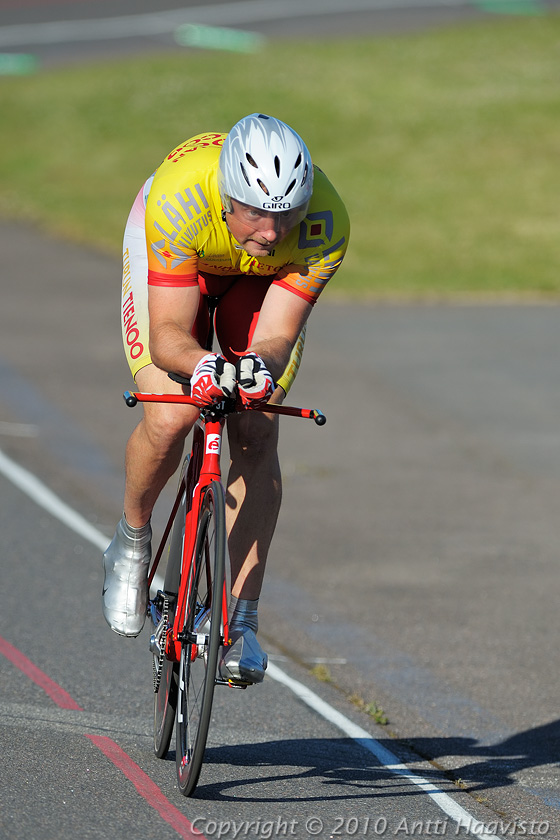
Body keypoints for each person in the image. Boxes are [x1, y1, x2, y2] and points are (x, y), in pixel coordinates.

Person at [102, 113, 350, 685]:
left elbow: (278, 334)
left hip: (259, 284)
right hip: (179, 259)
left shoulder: (325, 222)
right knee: (172, 416)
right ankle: (131, 544)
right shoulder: (181, 197)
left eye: (287, 214)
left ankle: (242, 616)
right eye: (259, 212)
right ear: (227, 202)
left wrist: (255, 369)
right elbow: (168, 336)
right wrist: (203, 364)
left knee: (258, 427)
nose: (271, 230)